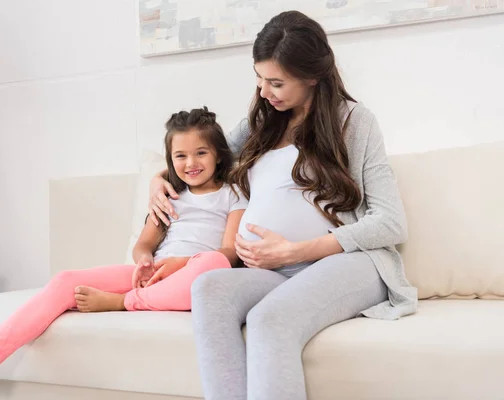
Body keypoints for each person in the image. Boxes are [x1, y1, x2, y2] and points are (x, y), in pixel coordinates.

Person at [148, 11, 418, 400]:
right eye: (259, 79)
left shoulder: (355, 122)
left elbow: (391, 222)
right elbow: (204, 161)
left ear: (312, 76)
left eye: (276, 82)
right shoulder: (261, 123)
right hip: (275, 271)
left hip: (348, 264)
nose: (264, 92)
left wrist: (298, 250)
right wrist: (160, 179)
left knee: (269, 319)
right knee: (208, 289)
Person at [0, 106, 248, 394]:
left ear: (218, 153)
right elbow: (144, 245)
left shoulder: (233, 193)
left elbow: (229, 253)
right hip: (158, 274)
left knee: (214, 263)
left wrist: (181, 264)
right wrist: (145, 260)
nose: (191, 162)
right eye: (181, 155)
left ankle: (122, 303)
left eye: (201, 153)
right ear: (170, 160)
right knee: (66, 280)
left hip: (194, 276)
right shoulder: (169, 195)